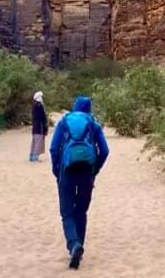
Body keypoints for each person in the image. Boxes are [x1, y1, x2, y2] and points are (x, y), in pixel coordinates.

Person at [50, 96, 109, 269]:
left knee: (67, 212)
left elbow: (53, 148)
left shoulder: (64, 122)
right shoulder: (93, 124)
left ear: (74, 106)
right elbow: (105, 150)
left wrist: (56, 169)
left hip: (67, 170)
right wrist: (95, 169)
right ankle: (79, 245)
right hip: (86, 172)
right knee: (81, 211)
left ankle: (74, 244)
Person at [29, 91, 48, 162]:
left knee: (34, 141)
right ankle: (35, 157)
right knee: (38, 142)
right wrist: (45, 127)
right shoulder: (39, 105)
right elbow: (43, 117)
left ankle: (31, 156)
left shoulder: (34, 105)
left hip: (35, 126)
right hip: (40, 127)